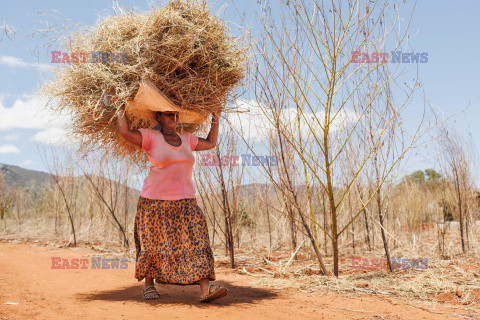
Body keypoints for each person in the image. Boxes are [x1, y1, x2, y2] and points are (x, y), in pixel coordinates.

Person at [115, 96, 227, 303]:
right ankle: (149, 285)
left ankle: (205, 289)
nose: (173, 117)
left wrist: (216, 117)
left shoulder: (187, 138)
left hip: (186, 201)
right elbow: (124, 133)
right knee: (152, 244)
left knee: (197, 241)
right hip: (154, 201)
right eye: (168, 114)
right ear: (158, 116)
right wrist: (119, 105)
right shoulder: (150, 137)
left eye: (175, 114)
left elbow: (211, 143)